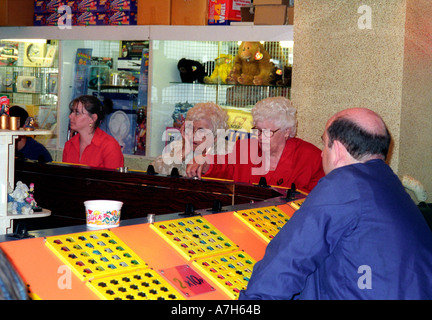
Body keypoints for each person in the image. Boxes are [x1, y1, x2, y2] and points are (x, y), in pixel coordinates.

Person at [239, 108, 432, 300]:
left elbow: (286, 262)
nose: (322, 154)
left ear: (337, 149)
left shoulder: (344, 184)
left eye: (324, 145)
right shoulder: (390, 184)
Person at [186, 97, 324, 192]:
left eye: (267, 132)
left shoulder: (312, 158)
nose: (260, 137)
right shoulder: (245, 148)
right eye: (258, 130)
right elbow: (225, 165)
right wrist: (205, 163)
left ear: (287, 131)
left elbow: (314, 203)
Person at [151, 102, 230, 176]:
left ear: (216, 136)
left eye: (201, 131)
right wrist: (183, 152)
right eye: (191, 129)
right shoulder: (179, 146)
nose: (193, 135)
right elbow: (154, 171)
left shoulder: (227, 153)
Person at [63, 95, 124, 169]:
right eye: (72, 111)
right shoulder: (69, 145)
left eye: (77, 113)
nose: (70, 116)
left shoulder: (109, 146)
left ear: (93, 119)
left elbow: (114, 179)